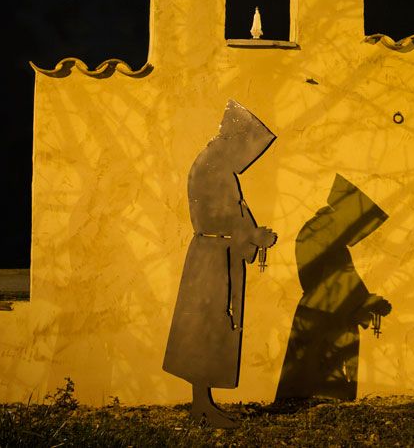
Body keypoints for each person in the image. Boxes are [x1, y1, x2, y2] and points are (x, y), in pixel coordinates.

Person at [163, 100, 278, 427]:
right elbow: (218, 218)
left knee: (211, 328)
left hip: (214, 257)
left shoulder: (214, 164)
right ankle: (202, 405)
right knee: (207, 327)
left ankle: (203, 403)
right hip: (212, 261)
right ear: (235, 142)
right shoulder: (212, 167)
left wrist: (250, 234)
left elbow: (228, 214)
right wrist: (253, 236)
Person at [276, 174, 391, 401]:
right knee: (318, 376)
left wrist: (366, 301)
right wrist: (367, 303)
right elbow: (337, 280)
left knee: (314, 373)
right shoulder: (322, 233)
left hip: (326, 311)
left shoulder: (323, 231)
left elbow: (343, 279)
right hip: (324, 314)